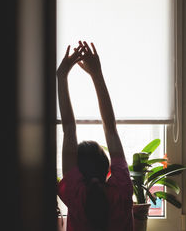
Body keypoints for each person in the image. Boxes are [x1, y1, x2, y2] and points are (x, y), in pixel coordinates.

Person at [57, 41, 134, 231]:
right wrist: (96, 75)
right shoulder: (121, 189)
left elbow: (69, 129)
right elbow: (111, 128)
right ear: (107, 167)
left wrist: (61, 76)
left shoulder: (74, 192)